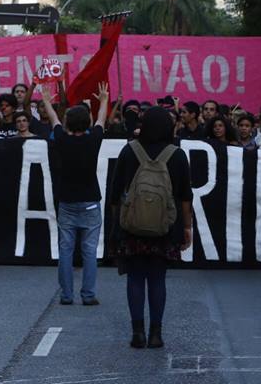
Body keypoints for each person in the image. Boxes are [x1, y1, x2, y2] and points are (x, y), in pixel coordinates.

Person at [110, 106, 193, 349]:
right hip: (165, 228)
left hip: (132, 227)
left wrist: (118, 226)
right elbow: (185, 196)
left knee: (135, 278)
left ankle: (137, 332)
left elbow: (115, 193)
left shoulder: (129, 151)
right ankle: (156, 333)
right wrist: (186, 227)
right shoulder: (176, 155)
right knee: (158, 279)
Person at [40, 82, 110, 306]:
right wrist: (104, 100)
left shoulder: (61, 139)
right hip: (90, 201)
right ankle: (88, 295)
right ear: (87, 122)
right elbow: (101, 120)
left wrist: (46, 101)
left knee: (66, 250)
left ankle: (67, 295)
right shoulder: (94, 139)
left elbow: (53, 119)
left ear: (69, 122)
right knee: (89, 251)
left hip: (67, 201)